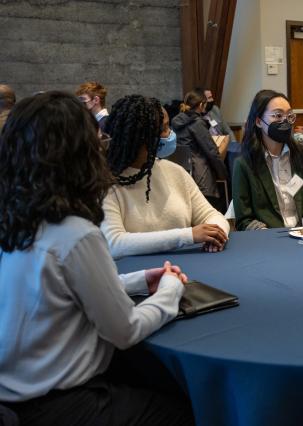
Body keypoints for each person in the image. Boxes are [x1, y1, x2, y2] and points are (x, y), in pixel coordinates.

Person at [0, 91, 194, 425]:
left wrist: (135, 279)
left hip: (14, 393)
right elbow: (125, 330)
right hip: (63, 403)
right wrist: (170, 292)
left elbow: (57, 290)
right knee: (188, 409)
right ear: (80, 154)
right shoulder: (75, 232)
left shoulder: (18, 217)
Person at [101, 95, 229, 258]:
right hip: (137, 276)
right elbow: (115, 243)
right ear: (141, 137)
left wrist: (216, 235)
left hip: (183, 270)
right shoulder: (106, 183)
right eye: (164, 128)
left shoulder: (176, 172)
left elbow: (212, 215)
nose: (170, 134)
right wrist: (188, 236)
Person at [232, 89, 303, 231]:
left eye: (289, 116)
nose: (285, 121)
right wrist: (271, 238)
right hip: (269, 240)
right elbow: (244, 220)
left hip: (302, 235)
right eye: (278, 115)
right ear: (259, 121)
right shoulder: (244, 164)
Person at [172, 90, 228, 211]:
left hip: (182, 175)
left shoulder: (176, 121)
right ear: (202, 105)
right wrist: (223, 173)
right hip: (201, 177)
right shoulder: (197, 123)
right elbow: (211, 151)